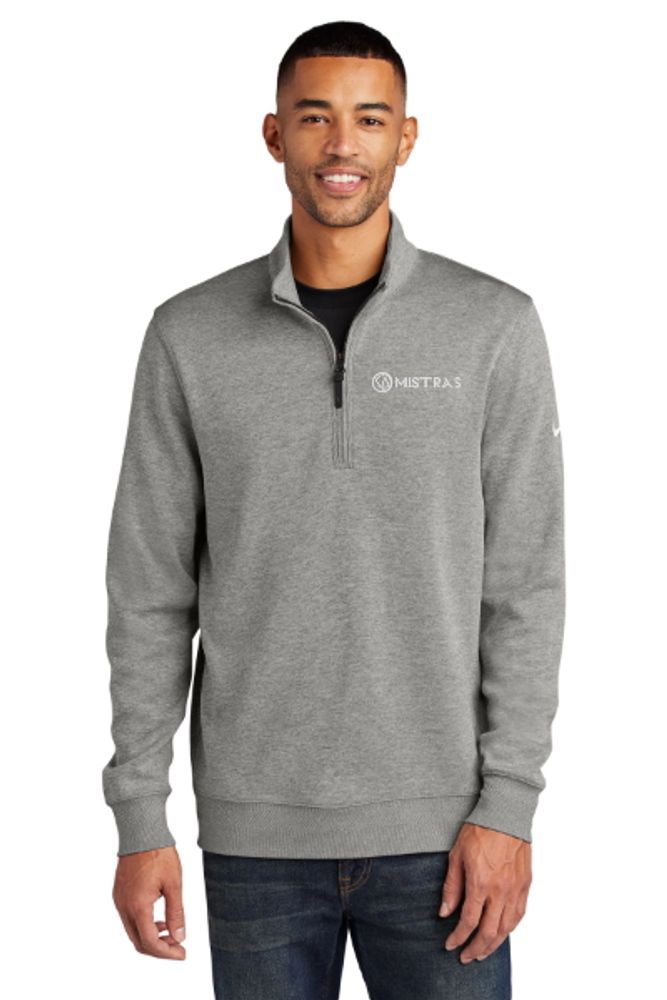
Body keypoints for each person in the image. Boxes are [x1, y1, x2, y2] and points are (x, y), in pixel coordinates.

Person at [102, 20, 565, 1000]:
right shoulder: (189, 336)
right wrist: (140, 818)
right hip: (255, 840)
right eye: (314, 117)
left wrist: (509, 805)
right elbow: (148, 592)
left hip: (447, 836)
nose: (341, 144)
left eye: (369, 118)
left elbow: (524, 585)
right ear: (274, 135)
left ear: (407, 137)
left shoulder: (493, 327)